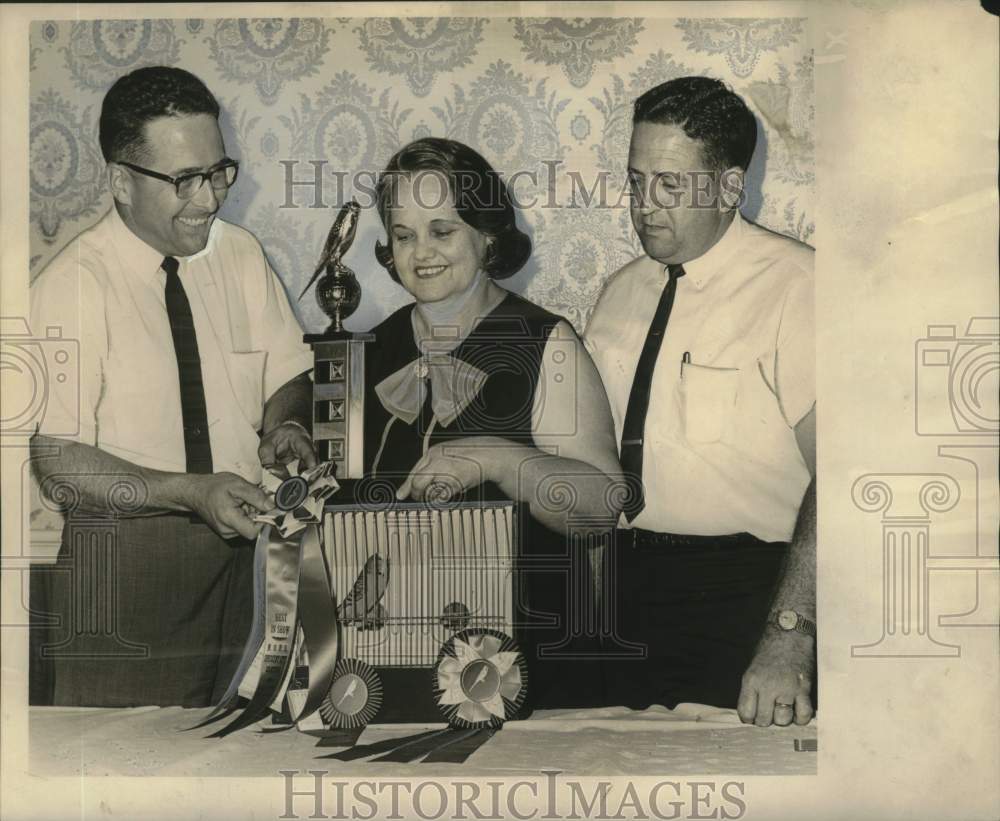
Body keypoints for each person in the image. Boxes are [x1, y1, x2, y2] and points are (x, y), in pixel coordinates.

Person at [29, 66, 317, 707]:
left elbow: (288, 373)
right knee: (125, 774)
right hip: (126, 564)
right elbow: (58, 464)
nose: (210, 199)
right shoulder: (73, 285)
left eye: (219, 172)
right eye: (185, 179)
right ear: (121, 182)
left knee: (241, 767)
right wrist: (190, 492)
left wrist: (286, 423)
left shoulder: (240, 254)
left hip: (252, 559)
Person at [584, 76, 816, 727]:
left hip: (747, 598)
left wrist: (791, 632)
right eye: (635, 181)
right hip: (622, 601)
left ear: (730, 187)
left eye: (671, 184)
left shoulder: (800, 287)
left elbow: (843, 477)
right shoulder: (618, 294)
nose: (645, 205)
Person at [359, 137, 623, 709]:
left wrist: (500, 460)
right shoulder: (369, 351)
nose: (421, 251)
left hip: (531, 652)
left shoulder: (544, 341)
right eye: (404, 235)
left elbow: (601, 506)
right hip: (393, 656)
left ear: (487, 233)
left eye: (443, 230)